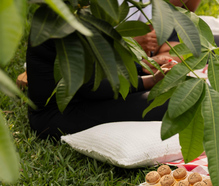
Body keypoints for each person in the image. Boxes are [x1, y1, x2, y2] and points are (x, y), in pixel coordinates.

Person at [26, 39, 172, 139]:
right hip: (57, 116)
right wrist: (150, 81)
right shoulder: (66, 25)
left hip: (82, 98)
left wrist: (144, 68)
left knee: (171, 94)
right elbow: (93, 87)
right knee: (170, 102)